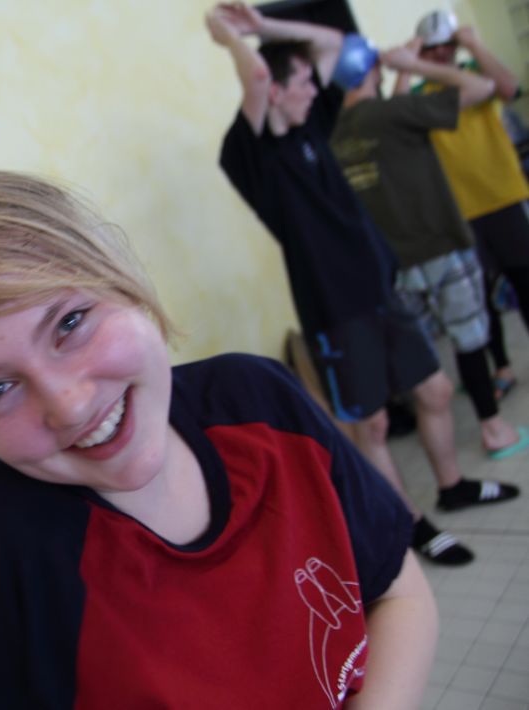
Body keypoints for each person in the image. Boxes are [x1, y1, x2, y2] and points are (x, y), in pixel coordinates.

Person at [0, 170, 437, 708]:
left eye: (70, 323)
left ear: (124, 279)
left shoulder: (262, 402)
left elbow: (398, 592)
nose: (70, 405)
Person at [207, 2, 518, 567]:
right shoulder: (250, 155)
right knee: (371, 424)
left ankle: (453, 487)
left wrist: (265, 25)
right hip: (335, 311)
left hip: (382, 292)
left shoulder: (317, 125)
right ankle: (410, 524)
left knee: (436, 391)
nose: (313, 87)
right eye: (302, 81)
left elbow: (332, 43)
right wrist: (232, 38)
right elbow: (256, 74)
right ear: (275, 90)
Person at [331, 42, 529, 459]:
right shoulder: (391, 114)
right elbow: (479, 87)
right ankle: (493, 429)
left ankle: (444, 448)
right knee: (468, 338)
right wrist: (413, 63)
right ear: (374, 69)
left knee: (426, 356)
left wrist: (401, 73)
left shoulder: (339, 137)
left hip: (396, 264)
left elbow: (392, 121)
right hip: (439, 245)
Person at [411, 10, 529, 402]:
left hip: (504, 197)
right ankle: (502, 367)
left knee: (525, 282)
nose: (441, 53)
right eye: (432, 48)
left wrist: (475, 45)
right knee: (480, 300)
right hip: (459, 213)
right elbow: (395, 116)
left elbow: (510, 88)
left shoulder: (478, 75)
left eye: (447, 45)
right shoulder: (419, 96)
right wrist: (411, 61)